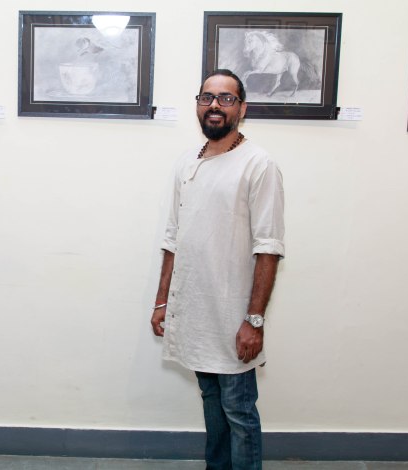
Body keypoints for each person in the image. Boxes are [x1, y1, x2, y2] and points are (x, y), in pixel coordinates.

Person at [150, 69, 284, 470]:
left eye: (226, 98)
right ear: (197, 105)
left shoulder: (258, 164)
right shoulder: (187, 162)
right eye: (207, 97)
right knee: (211, 402)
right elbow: (173, 239)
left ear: (242, 108)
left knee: (238, 411)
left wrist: (254, 320)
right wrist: (162, 301)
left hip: (233, 317)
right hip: (193, 312)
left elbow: (269, 248)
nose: (214, 105)